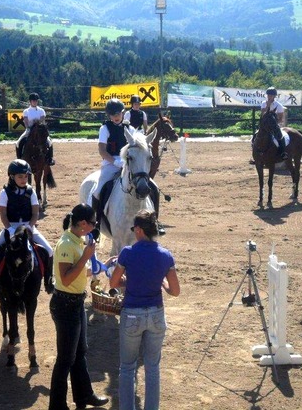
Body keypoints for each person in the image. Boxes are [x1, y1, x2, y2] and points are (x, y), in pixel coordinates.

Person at [110, 209, 180, 410]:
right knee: (152, 368)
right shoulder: (166, 255)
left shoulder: (127, 253)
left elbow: (113, 283)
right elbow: (175, 291)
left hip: (132, 313)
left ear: (139, 230)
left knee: (127, 368)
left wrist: (125, 281)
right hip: (156, 315)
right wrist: (163, 284)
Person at [48, 203, 109, 410]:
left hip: (75, 303)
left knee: (80, 352)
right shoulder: (66, 244)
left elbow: (77, 272)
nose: (94, 227)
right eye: (93, 223)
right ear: (83, 223)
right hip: (65, 305)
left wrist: (101, 266)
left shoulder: (77, 240)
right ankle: (56, 406)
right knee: (65, 359)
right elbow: (65, 279)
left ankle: (84, 395)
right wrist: (86, 257)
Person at [92, 98, 165, 235]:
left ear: (122, 113)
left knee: (153, 187)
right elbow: (102, 150)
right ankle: (96, 223)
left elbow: (141, 145)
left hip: (130, 162)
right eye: (113, 115)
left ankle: (155, 222)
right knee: (98, 189)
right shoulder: (105, 128)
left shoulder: (130, 128)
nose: (116, 117)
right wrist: (115, 161)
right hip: (111, 163)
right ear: (109, 115)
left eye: (118, 114)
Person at [0, 159, 53, 292]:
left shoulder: (31, 191)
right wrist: (10, 229)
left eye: (26, 176)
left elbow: (35, 213)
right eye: (20, 177)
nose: (24, 179)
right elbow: (3, 215)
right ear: (12, 177)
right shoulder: (4, 193)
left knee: (49, 250)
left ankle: (49, 281)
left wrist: (30, 227)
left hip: (28, 227)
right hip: (11, 227)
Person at [16, 92, 55, 166]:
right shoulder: (26, 111)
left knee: (49, 142)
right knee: (18, 142)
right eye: (33, 100)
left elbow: (42, 120)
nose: (35, 102)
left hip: (40, 130)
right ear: (30, 101)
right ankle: (19, 159)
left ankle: (50, 158)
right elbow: (26, 121)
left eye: (36, 100)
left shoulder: (41, 110)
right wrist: (29, 127)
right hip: (29, 129)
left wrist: (37, 123)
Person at [261, 87, 288, 160]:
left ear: (274, 96)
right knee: (256, 136)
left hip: (275, 126)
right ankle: (256, 154)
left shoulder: (279, 106)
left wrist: (274, 124)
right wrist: (268, 105)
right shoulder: (264, 103)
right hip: (265, 125)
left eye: (271, 95)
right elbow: (262, 113)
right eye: (268, 95)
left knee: (280, 137)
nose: (269, 97)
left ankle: (282, 153)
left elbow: (280, 119)